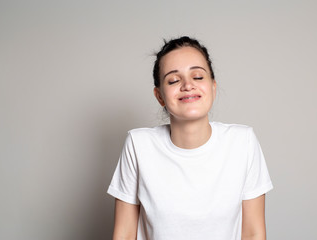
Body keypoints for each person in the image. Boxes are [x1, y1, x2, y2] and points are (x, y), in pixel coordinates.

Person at [107, 36, 273, 240]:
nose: (187, 85)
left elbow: (254, 233)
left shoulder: (243, 142)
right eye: (174, 80)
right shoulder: (138, 145)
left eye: (198, 76)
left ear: (213, 87)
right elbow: (124, 234)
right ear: (159, 96)